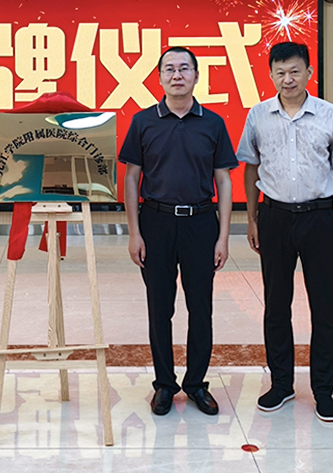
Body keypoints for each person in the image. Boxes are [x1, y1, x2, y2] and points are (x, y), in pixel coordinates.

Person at [236, 41, 333, 422]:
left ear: (308, 72)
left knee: (324, 306)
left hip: (319, 217)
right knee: (276, 304)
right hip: (274, 217)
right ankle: (281, 384)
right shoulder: (258, 115)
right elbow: (251, 168)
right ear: (271, 75)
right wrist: (252, 219)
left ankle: (324, 390)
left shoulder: (330, 115)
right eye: (280, 72)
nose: (287, 79)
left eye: (294, 71)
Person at [119, 46, 237, 416]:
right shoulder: (143, 122)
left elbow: (224, 180)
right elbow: (132, 178)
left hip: (201, 222)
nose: (177, 75)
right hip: (155, 222)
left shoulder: (213, 123)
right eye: (169, 69)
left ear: (196, 76)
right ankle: (164, 385)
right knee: (160, 308)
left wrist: (223, 236)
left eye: (184, 68)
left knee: (201, 307)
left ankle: (197, 384)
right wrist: (134, 232)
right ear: (159, 77)